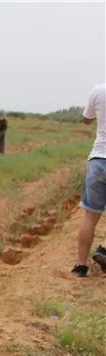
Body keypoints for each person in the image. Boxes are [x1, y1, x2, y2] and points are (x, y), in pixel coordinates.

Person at [73, 82, 106, 278]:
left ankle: (81, 266)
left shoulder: (99, 90)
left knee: (90, 217)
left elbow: (86, 119)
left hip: (99, 160)